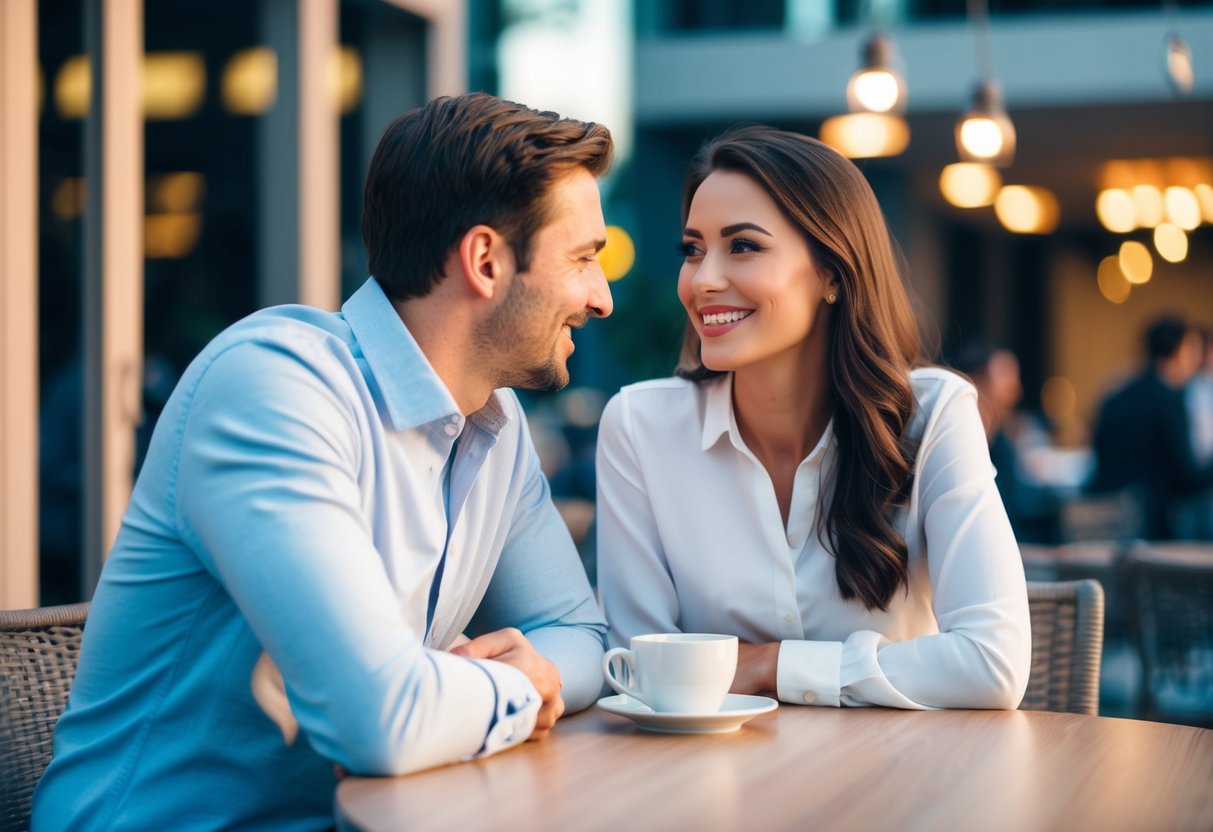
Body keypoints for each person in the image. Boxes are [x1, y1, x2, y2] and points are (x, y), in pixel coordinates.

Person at [33, 93, 614, 830]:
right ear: (485, 260)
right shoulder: (274, 387)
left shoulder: (496, 427)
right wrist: (516, 691)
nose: (601, 299)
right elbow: (380, 722)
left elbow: (582, 639)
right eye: (584, 259)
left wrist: (495, 682)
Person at [596, 126, 1030, 711]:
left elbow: (993, 663)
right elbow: (640, 671)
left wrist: (772, 665)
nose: (702, 280)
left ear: (832, 272)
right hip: (713, 783)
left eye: (742, 246)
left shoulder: (933, 416)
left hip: (901, 783)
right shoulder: (638, 427)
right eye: (692, 249)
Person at [1089, 316, 1212, 539]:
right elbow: (1186, 476)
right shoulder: (1169, 400)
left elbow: (1097, 449)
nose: (1196, 360)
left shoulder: (1118, 395)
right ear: (1178, 352)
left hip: (1103, 522)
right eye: (1192, 350)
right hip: (1148, 527)